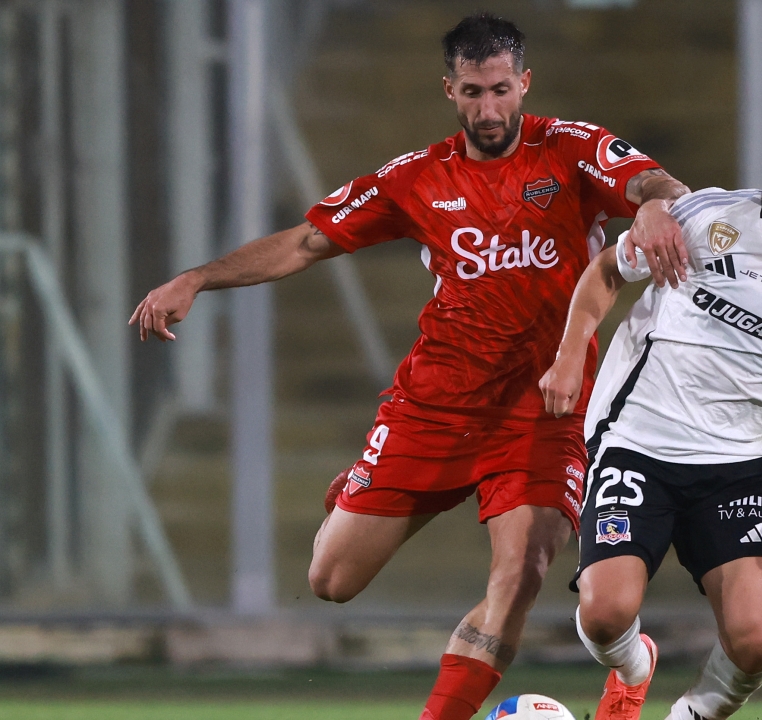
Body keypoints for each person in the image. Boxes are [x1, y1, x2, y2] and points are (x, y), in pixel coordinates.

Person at [130, 13, 690, 720]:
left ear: (524, 82)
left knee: (520, 574)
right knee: (331, 580)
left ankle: (485, 707)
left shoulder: (571, 150)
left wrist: (659, 207)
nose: (489, 109)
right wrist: (198, 278)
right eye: (471, 93)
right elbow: (307, 242)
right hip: (435, 405)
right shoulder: (416, 178)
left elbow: (654, 182)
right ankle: (354, 496)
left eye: (500, 90)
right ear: (448, 91)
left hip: (544, 406)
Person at [539, 108, 762, 720]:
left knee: (756, 638)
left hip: (740, 465)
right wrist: (570, 357)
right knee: (604, 615)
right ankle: (633, 668)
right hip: (637, 441)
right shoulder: (708, 216)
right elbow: (606, 272)